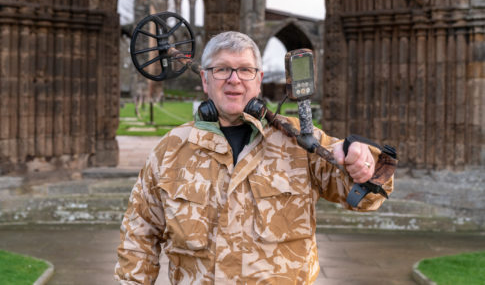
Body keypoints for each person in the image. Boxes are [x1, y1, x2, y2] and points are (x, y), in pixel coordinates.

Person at [115, 31, 394, 284]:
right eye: (222, 69)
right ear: (205, 79)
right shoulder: (171, 150)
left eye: (245, 70)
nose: (234, 79)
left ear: (258, 81)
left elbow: (368, 198)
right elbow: (139, 233)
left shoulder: (300, 143)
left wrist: (363, 161)